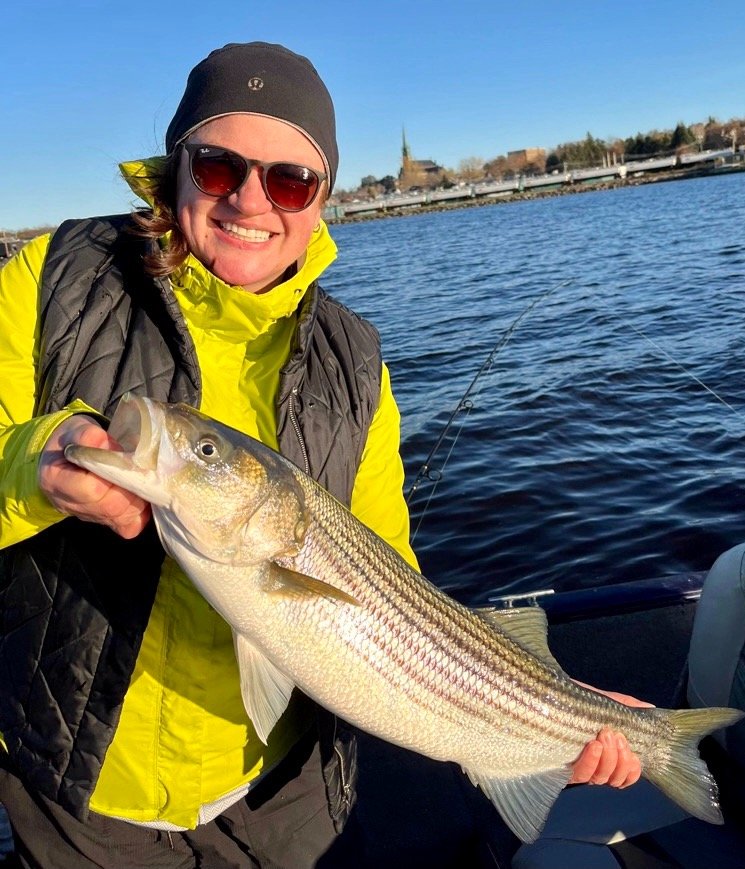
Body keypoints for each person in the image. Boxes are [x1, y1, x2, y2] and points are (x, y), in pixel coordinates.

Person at [0, 41, 644, 869]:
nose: (253, 202)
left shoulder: (356, 360)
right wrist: (37, 467)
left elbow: (395, 577)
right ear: (177, 166)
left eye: (291, 180)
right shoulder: (54, 278)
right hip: (82, 793)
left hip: (290, 795)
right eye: (220, 166)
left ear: (323, 198)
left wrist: (572, 713)